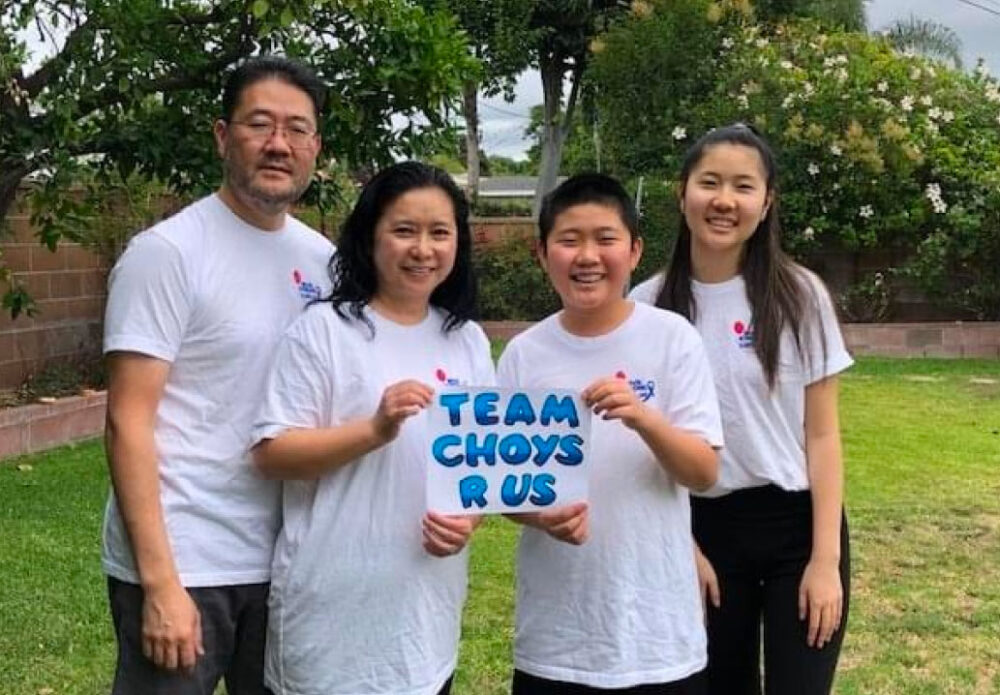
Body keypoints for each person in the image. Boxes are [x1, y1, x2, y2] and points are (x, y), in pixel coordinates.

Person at [102, 56, 334, 694]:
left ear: (316, 146)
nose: (278, 144)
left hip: (285, 560)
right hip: (186, 561)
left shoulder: (326, 262)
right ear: (222, 136)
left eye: (296, 129)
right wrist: (160, 585)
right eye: (259, 124)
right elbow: (127, 420)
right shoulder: (169, 254)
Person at [250, 161, 494, 695]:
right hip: (330, 620)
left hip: (423, 624)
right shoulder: (323, 332)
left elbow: (479, 466)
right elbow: (272, 453)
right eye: (404, 230)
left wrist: (468, 521)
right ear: (370, 237)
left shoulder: (467, 341)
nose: (423, 249)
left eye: (440, 232)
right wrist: (376, 429)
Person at [630, 123, 853, 695]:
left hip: (795, 530)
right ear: (682, 193)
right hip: (700, 529)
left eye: (743, 186)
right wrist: (684, 549)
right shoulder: (647, 306)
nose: (724, 200)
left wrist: (825, 561)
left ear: (767, 200)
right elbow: (640, 451)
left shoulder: (800, 296)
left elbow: (823, 437)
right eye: (709, 182)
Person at [498, 173, 724, 694]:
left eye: (605, 239)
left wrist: (644, 418)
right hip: (556, 642)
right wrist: (539, 515)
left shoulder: (672, 339)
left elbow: (704, 471)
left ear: (635, 250)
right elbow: (505, 487)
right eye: (569, 240)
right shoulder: (524, 355)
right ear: (542, 253)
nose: (587, 256)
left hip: (659, 638)